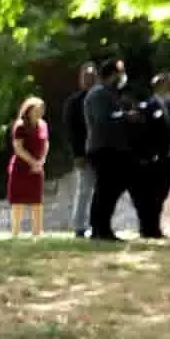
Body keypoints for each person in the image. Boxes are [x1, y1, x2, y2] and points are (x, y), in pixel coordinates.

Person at [122, 70, 170, 238]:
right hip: (155, 159)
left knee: (162, 193)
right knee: (152, 195)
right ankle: (149, 229)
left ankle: (153, 228)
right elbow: (145, 132)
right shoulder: (149, 106)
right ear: (162, 86)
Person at [79, 57, 129, 241]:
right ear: (112, 74)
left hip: (110, 147)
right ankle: (99, 228)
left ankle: (103, 227)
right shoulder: (99, 94)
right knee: (105, 189)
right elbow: (103, 119)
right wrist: (125, 116)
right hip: (103, 147)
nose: (122, 76)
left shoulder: (109, 93)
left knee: (110, 188)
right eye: (120, 72)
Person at [55, 62, 95, 233]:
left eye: (92, 77)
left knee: (99, 191)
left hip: (101, 149)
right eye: (86, 77)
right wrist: (77, 154)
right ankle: (79, 226)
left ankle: (97, 223)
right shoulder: (74, 103)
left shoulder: (102, 98)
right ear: (81, 79)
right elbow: (72, 131)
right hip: (84, 152)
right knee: (85, 189)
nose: (89, 80)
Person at [5, 94, 49, 235]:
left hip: (37, 168)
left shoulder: (43, 125)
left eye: (42, 109)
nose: (40, 112)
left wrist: (42, 160)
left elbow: (46, 143)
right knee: (18, 201)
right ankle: (15, 232)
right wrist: (32, 162)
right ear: (29, 110)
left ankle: (37, 231)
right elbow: (18, 148)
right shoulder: (20, 126)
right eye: (37, 109)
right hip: (21, 167)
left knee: (37, 201)